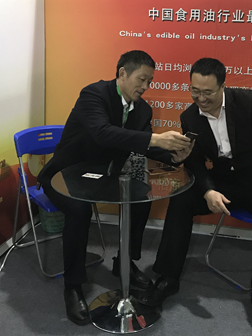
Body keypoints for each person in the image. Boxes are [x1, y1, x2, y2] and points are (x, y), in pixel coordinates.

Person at [140, 58, 252, 335]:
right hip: (224, 184)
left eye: (207, 92)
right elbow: (195, 162)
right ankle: (168, 278)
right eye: (195, 91)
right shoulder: (190, 117)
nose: (201, 99)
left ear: (223, 86)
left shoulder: (248, 102)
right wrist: (208, 190)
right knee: (181, 199)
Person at [37, 50, 192, 326]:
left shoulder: (142, 109)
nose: (145, 86)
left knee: (141, 195)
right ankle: (73, 286)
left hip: (105, 175)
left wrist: (174, 156)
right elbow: (103, 133)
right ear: (122, 73)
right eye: (142, 79)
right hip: (65, 176)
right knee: (79, 209)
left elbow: (141, 145)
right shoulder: (93, 95)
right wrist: (156, 139)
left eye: (150, 81)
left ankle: (125, 262)